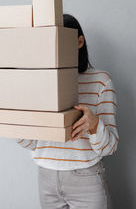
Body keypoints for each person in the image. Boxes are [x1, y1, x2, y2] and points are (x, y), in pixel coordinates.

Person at [16, 14, 119, 209]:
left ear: (79, 41)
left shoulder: (101, 81)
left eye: (60, 40)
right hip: (46, 177)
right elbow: (31, 144)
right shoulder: (39, 83)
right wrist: (17, 121)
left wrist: (94, 125)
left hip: (86, 178)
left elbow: (110, 147)